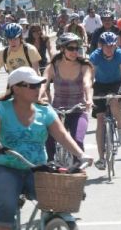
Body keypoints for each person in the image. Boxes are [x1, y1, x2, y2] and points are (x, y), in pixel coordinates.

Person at [0, 66, 93, 230]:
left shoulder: (44, 111)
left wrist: (81, 155)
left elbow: (62, 135)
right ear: (16, 88)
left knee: (58, 200)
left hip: (36, 169)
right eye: (32, 86)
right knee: (7, 207)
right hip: (5, 167)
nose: (37, 89)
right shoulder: (0, 109)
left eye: (38, 85)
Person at [43, 33, 94, 162]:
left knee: (77, 141)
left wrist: (89, 99)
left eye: (77, 48)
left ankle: (77, 173)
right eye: (70, 48)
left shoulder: (84, 65)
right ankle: (50, 164)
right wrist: (39, 99)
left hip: (78, 109)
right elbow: (43, 85)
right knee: (48, 138)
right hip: (57, 110)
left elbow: (87, 83)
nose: (74, 51)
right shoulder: (53, 66)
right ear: (62, 49)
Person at [90, 32, 121, 170]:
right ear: (101, 45)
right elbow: (90, 77)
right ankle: (101, 158)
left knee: (114, 100)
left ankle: (120, 128)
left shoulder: (120, 54)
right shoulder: (95, 56)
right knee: (100, 120)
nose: (109, 48)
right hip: (100, 84)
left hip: (115, 83)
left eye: (112, 46)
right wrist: (88, 93)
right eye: (106, 46)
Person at [0, 23, 41, 101]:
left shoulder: (30, 50)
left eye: (15, 39)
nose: (12, 42)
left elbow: (37, 73)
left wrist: (38, 94)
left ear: (20, 38)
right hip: (12, 92)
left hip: (29, 90)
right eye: (10, 39)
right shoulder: (3, 53)